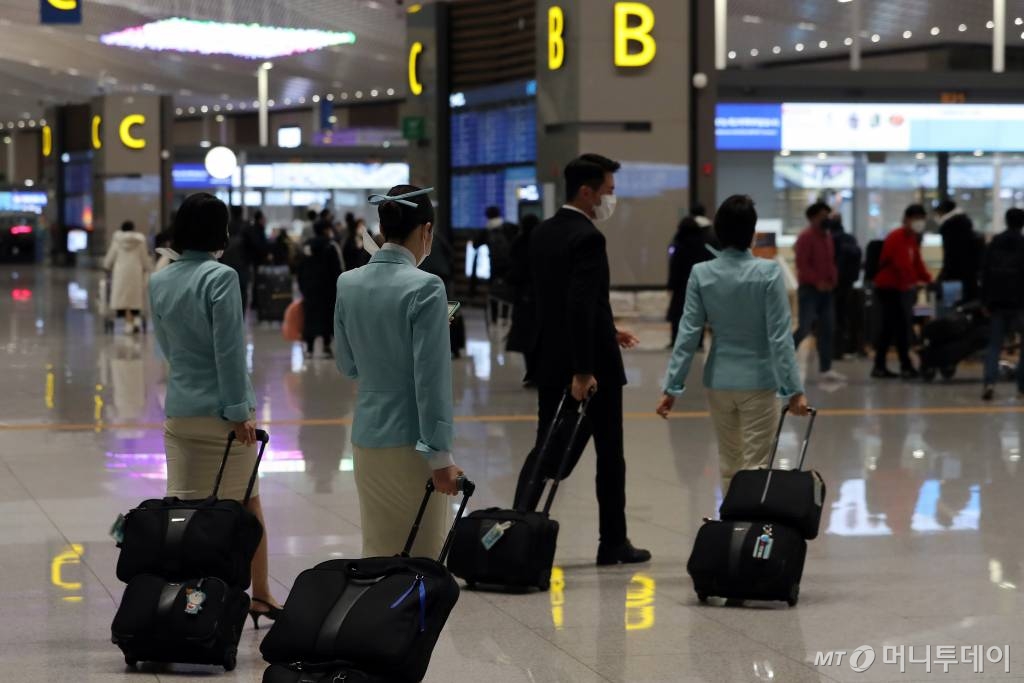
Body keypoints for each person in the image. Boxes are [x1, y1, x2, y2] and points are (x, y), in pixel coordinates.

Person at [148, 192, 281, 627]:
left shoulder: (160, 279)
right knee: (248, 505)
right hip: (224, 417)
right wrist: (239, 410)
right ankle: (260, 595)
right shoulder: (220, 277)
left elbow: (166, 347)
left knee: (184, 511)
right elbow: (229, 350)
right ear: (220, 231)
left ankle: (183, 600)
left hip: (180, 411)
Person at [512, 153, 650, 566]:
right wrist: (585, 369)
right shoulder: (588, 237)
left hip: (551, 359)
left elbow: (554, 302)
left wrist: (609, 331)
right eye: (608, 191)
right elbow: (580, 304)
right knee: (610, 457)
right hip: (590, 369)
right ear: (586, 191)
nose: (611, 199)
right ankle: (613, 543)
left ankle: (516, 529)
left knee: (545, 447)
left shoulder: (543, 233)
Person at [333, 185, 464, 559]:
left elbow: (347, 363)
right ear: (426, 230)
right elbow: (431, 379)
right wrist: (441, 457)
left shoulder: (348, 282)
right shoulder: (426, 287)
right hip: (413, 445)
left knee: (377, 549)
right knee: (420, 559)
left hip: (367, 437)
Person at [657, 195, 810, 493]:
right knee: (755, 465)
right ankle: (749, 532)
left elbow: (688, 334)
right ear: (752, 232)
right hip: (759, 381)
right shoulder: (768, 273)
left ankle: (730, 529)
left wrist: (672, 387)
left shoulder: (701, 274)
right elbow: (780, 337)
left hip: (719, 380)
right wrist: (794, 390)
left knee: (729, 464)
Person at [872, 204, 932, 379]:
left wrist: (928, 279)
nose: (919, 223)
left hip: (900, 289)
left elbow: (916, 263)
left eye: (921, 219)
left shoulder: (910, 239)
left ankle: (880, 366)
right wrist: (914, 281)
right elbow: (901, 265)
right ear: (906, 219)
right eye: (916, 219)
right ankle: (904, 366)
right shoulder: (897, 237)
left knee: (891, 328)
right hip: (889, 288)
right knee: (899, 328)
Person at [792, 202, 844, 382]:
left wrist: (832, 280)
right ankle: (781, 362)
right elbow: (802, 265)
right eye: (822, 215)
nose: (826, 219)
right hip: (810, 290)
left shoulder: (827, 236)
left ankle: (826, 368)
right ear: (812, 218)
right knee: (804, 328)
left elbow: (831, 263)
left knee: (828, 328)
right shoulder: (805, 237)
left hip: (827, 291)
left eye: (827, 215)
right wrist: (817, 282)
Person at [981, 207, 1024, 401]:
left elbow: (985, 274)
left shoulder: (994, 243)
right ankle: (1022, 386)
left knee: (994, 345)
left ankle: (989, 383)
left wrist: (985, 300)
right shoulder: (1023, 244)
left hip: (997, 301)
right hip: (1019, 302)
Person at [298, 221, 344, 359]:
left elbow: (300, 269)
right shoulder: (331, 246)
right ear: (325, 230)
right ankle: (326, 347)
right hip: (327, 289)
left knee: (310, 317)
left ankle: (310, 348)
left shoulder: (307, 247)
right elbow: (338, 269)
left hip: (310, 288)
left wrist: (303, 286)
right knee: (326, 317)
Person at [666, 216, 713, 348]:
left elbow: (674, 267)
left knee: (677, 315)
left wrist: (671, 285)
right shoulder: (703, 245)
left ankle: (675, 340)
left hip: (681, 287)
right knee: (698, 314)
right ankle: (699, 342)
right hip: (699, 285)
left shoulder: (680, 244)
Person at [507, 214, 541, 385]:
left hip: (523, 297)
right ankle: (538, 372)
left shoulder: (518, 243)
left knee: (526, 336)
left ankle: (531, 372)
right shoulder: (542, 242)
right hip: (540, 296)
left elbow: (513, 270)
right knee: (539, 336)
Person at [104, 220, 152, 334]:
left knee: (123, 299)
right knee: (134, 299)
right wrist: (148, 267)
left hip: (120, 274)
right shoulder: (140, 241)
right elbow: (145, 259)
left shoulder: (117, 241)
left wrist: (106, 265)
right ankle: (135, 320)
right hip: (135, 273)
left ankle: (127, 323)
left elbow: (109, 258)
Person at [936, 199, 984, 303]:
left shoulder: (950, 227)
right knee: (964, 310)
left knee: (951, 309)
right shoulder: (965, 224)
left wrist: (943, 276)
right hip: (970, 279)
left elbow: (951, 257)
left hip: (953, 277)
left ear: (943, 212)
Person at [829, 214, 863, 359]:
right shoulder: (849, 238)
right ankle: (843, 348)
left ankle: (833, 349)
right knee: (844, 315)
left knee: (831, 316)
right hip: (847, 283)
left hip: (831, 284)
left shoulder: (830, 239)